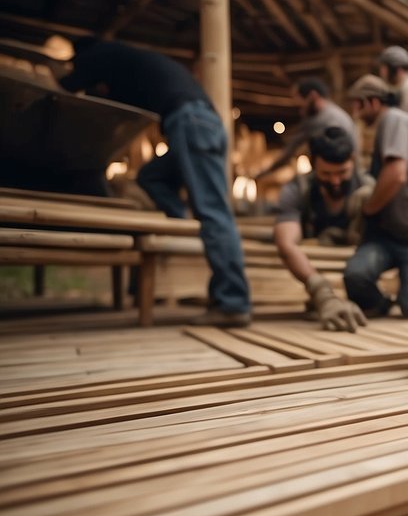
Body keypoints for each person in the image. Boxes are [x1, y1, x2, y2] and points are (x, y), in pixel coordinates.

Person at [59, 37, 252, 326]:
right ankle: (180, 220)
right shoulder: (128, 65)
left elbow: (67, 88)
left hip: (191, 122)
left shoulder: (97, 54)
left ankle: (234, 302)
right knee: (152, 177)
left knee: (213, 211)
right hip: (198, 123)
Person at [343, 74, 408, 318]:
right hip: (387, 237)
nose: (355, 112)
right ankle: (381, 305)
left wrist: (367, 209)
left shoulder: (394, 119)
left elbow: (396, 174)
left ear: (373, 102)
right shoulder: (391, 124)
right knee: (355, 276)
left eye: (358, 104)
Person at [273, 127, 374, 332]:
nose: (335, 181)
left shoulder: (369, 188)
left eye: (342, 173)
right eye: (326, 174)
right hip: (310, 275)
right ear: (312, 164)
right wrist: (322, 293)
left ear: (353, 160)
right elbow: (286, 242)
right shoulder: (297, 190)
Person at [257, 78, 358, 180]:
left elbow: (290, 151)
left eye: (301, 106)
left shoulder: (321, 120)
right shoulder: (333, 114)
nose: (301, 111)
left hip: (339, 178)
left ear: (312, 96)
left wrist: (262, 174)